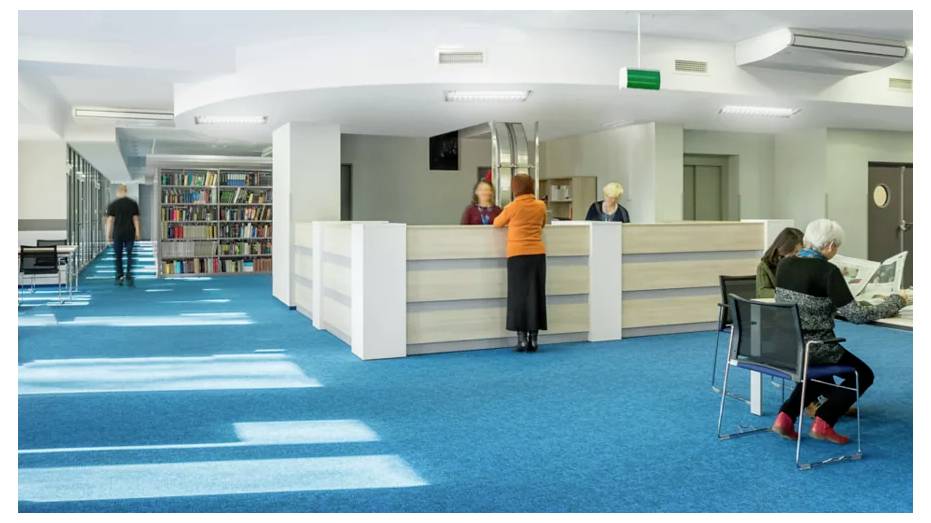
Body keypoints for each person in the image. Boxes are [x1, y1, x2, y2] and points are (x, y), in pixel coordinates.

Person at [770, 219, 910, 444]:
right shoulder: (827, 270)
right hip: (816, 347)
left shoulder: (786, 264)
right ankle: (824, 422)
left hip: (788, 345)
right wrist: (897, 300)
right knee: (863, 374)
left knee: (819, 378)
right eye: (836, 247)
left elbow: (804, 300)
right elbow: (856, 315)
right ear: (830, 246)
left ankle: (784, 418)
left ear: (807, 240)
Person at [493, 175, 547, 353]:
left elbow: (497, 224)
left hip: (517, 256)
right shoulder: (541, 205)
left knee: (518, 297)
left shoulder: (512, 207)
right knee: (536, 295)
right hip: (537, 255)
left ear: (515, 188)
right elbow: (543, 224)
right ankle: (534, 339)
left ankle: (522, 339)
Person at [106, 184, 141, 287]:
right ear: (126, 191)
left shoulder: (113, 204)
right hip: (130, 233)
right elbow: (136, 219)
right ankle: (129, 275)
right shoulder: (133, 203)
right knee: (130, 255)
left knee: (118, 256)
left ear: (118, 192)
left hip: (118, 233)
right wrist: (138, 232)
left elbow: (110, 221)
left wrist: (108, 235)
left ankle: (119, 276)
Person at [756, 227, 804, 298]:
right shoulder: (765, 266)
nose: (797, 255)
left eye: (799, 251)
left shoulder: (804, 263)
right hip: (777, 306)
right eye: (793, 251)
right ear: (783, 248)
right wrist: (788, 295)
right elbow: (762, 292)